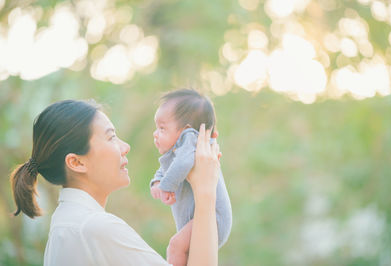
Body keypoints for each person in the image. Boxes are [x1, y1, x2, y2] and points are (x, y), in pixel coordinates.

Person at [10, 99, 221, 266]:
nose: (125, 146)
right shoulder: (95, 228)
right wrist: (205, 192)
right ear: (76, 162)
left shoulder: (68, 222)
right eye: (111, 138)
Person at [150, 89, 232, 266]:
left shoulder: (190, 140)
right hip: (200, 217)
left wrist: (166, 186)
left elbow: (182, 163)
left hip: (214, 218)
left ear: (186, 130)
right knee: (185, 253)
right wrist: (157, 182)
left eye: (162, 128)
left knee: (175, 246)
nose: (155, 134)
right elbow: (166, 168)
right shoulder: (177, 152)